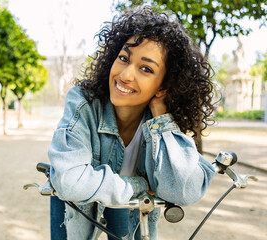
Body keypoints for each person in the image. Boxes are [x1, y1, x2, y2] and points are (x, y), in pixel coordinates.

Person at [48, 6, 216, 240]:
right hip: (76, 212)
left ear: (163, 86)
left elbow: (184, 190)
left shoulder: (162, 122)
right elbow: (70, 182)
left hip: (132, 213)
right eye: (124, 58)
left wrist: (161, 118)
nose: (126, 75)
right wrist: (138, 185)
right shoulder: (83, 102)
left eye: (146, 69)